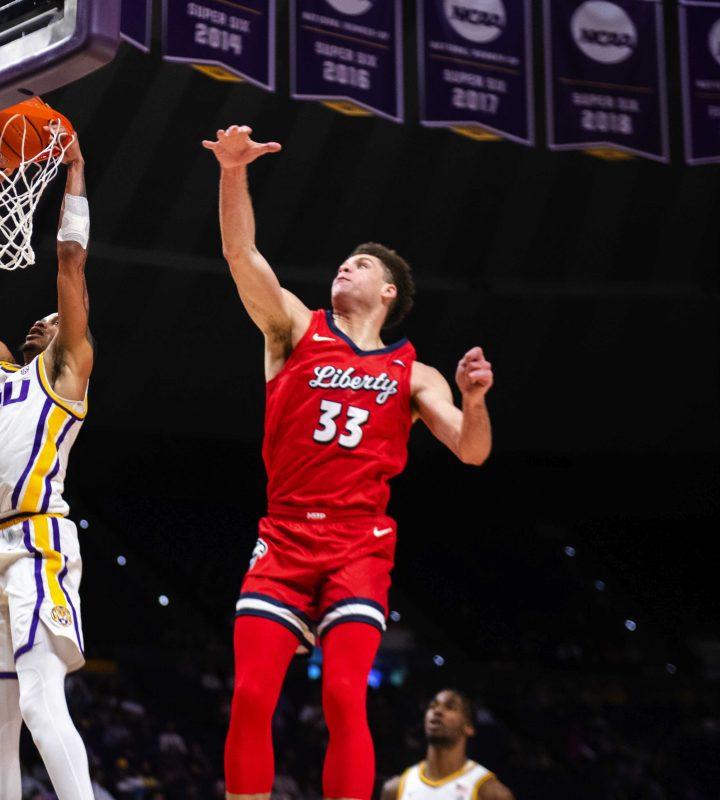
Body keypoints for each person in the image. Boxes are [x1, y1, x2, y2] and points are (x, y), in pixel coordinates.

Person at [203, 125, 495, 800]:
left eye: (361, 266)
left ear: (389, 292)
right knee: (249, 696)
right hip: (283, 536)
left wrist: (475, 399)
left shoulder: (415, 372)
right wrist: (233, 171)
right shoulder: (295, 330)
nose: (345, 267)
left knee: (342, 695)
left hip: (357, 544)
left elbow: (472, 451)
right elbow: (240, 252)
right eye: (343, 263)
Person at [0, 124, 95, 800]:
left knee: (38, 702)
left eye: (55, 319)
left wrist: (75, 173)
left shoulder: (69, 373)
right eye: (38, 319)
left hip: (40, 543)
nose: (43, 321)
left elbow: (67, 263)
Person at [381, 690, 514, 800]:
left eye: (450, 707)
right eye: (432, 706)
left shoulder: (491, 793)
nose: (437, 711)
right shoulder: (395, 789)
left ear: (468, 727)